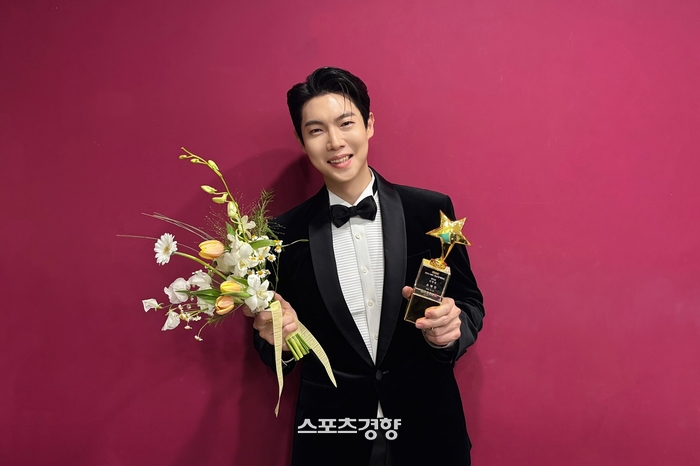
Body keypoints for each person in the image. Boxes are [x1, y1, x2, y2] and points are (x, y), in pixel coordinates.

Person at [244, 67, 484, 466]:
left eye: (346, 123)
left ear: (369, 124)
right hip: (332, 439)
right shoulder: (278, 235)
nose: (335, 142)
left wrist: (449, 332)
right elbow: (272, 349)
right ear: (302, 141)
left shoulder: (430, 211)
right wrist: (278, 340)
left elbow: (470, 303)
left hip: (428, 431)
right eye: (317, 130)